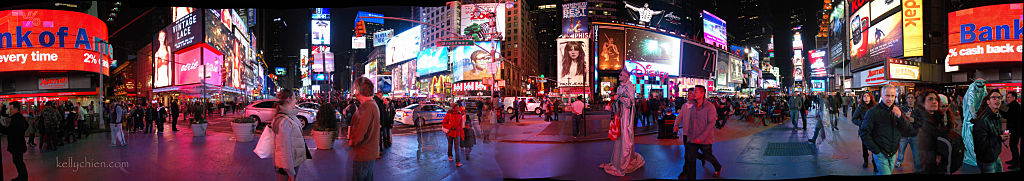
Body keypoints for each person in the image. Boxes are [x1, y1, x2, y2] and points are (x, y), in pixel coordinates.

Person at [860, 85, 914, 175]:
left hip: (893, 152)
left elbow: (908, 129)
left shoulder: (897, 110)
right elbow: (863, 132)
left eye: (892, 96)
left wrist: (900, 116)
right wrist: (876, 150)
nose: (890, 99)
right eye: (887, 95)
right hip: (880, 153)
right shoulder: (873, 112)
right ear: (882, 95)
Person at [599, 69, 645, 177]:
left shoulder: (629, 86)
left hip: (626, 118)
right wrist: (613, 102)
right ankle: (617, 162)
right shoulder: (619, 87)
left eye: (622, 75)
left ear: (627, 77)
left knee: (626, 139)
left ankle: (624, 163)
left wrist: (618, 97)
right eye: (620, 74)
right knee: (620, 140)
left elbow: (629, 103)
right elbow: (619, 103)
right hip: (620, 116)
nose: (619, 76)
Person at [271, 89, 310, 181]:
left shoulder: (291, 116)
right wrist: (290, 171)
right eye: (294, 98)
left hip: (294, 160)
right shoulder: (284, 121)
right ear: (288, 99)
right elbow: (283, 149)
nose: (296, 100)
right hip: (288, 164)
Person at [348, 77, 380, 180]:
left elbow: (360, 132)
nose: (354, 91)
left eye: (355, 88)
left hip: (363, 153)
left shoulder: (367, 107)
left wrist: (352, 141)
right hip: (369, 152)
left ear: (359, 91)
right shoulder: (372, 104)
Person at [972, 89, 1009, 173]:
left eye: (999, 97)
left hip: (995, 154)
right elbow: (981, 144)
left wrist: (1002, 135)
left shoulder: (998, 115)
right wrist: (999, 138)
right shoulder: (982, 120)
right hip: (986, 159)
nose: (997, 100)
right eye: (994, 98)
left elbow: (995, 133)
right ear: (988, 102)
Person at [1, 101, 29, 181]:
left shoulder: (16, 118)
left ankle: (23, 178)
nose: (10, 111)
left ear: (16, 109)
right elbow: (26, 125)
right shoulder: (19, 117)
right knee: (18, 161)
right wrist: (21, 133)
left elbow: (8, 131)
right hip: (19, 143)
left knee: (18, 161)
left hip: (17, 144)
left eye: (11, 109)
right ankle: (21, 177)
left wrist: (1, 127)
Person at [853, 92, 877, 172]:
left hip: (874, 131)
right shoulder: (860, 107)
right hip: (864, 131)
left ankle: (875, 163)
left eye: (868, 96)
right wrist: (862, 123)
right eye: (864, 96)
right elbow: (854, 119)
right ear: (862, 98)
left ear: (871, 97)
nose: (866, 97)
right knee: (865, 147)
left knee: (875, 147)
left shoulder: (875, 106)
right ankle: (866, 161)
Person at [895, 94, 920, 170]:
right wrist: (904, 118)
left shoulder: (918, 110)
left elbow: (921, 122)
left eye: (912, 98)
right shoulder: (901, 109)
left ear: (914, 100)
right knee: (901, 151)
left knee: (916, 152)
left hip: (914, 135)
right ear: (906, 99)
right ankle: (899, 161)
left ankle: (917, 165)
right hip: (904, 135)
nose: (910, 99)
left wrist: (913, 120)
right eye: (908, 98)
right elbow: (898, 121)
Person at [1001, 92, 1020, 169]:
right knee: (1012, 146)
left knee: (1013, 146)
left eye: (1009, 97)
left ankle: (1017, 163)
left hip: (1015, 130)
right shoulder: (1012, 105)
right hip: (1012, 129)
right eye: (1007, 97)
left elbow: (1008, 116)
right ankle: (1014, 160)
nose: (1007, 99)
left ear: (1014, 98)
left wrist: (999, 111)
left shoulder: (1014, 106)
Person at [442, 102, 465, 167]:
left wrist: (462, 135)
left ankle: (457, 161)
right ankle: (450, 155)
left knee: (457, 148)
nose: (458, 109)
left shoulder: (460, 115)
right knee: (450, 145)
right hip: (450, 133)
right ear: (453, 108)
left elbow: (461, 126)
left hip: (457, 133)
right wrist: (450, 127)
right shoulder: (449, 114)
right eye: (456, 108)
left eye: (458, 108)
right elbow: (444, 123)